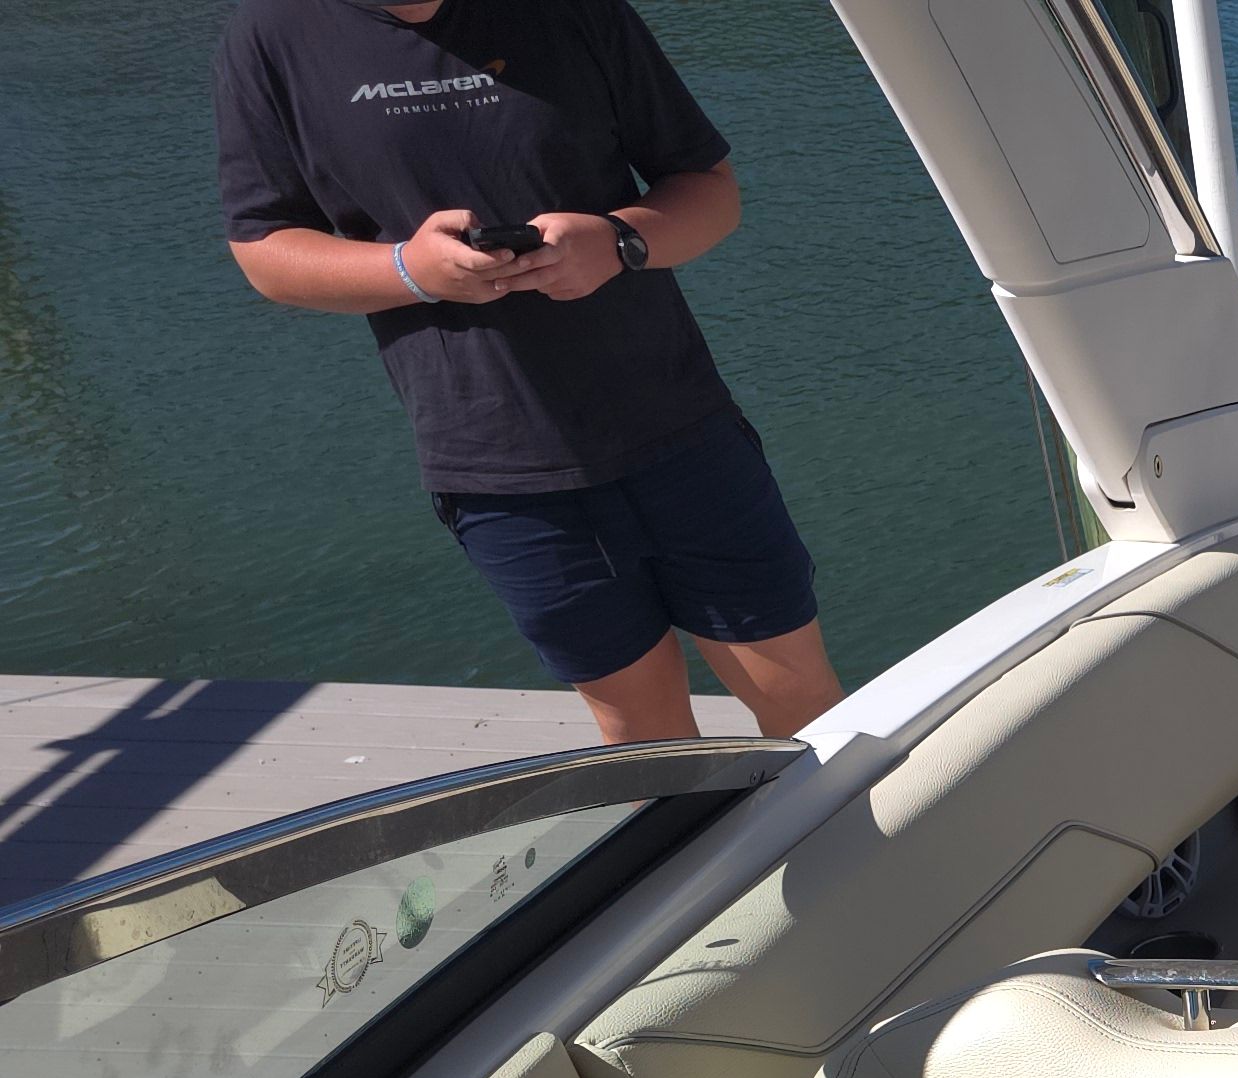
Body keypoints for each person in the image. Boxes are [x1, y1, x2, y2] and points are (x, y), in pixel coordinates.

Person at [215, 0, 843, 744]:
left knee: (804, 702)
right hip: (500, 473)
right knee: (644, 738)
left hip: (679, 429)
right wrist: (411, 270)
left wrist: (619, 241)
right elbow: (264, 250)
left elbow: (709, 188)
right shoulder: (272, 33)